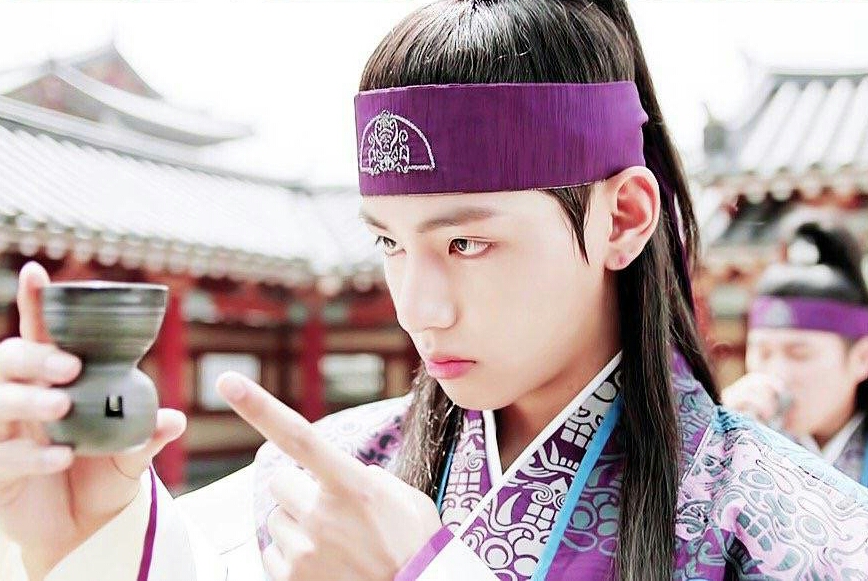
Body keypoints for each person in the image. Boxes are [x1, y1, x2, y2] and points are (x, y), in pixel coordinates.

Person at [3, 1, 868, 580]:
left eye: (466, 241)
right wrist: (90, 532)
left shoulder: (796, 530)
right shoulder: (320, 480)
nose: (418, 307)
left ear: (623, 217)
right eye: (389, 242)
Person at [722, 221, 868, 485]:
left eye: (799, 354)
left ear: (862, 358)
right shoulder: (736, 439)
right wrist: (714, 437)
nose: (777, 373)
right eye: (763, 352)